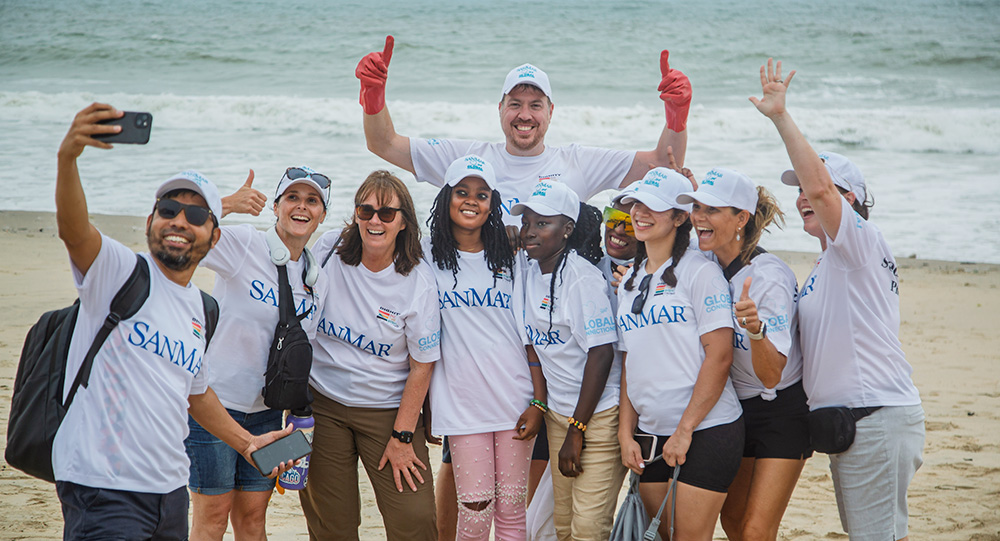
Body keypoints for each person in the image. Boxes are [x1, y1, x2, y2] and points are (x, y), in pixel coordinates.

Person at [53, 103, 293, 540]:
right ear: (150, 221)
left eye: (198, 216)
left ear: (214, 235)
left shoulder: (200, 310)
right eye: (168, 209)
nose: (180, 221)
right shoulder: (119, 273)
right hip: (103, 486)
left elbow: (198, 395)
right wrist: (67, 159)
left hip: (168, 494)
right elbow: (74, 230)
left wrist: (248, 443)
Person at [751, 58, 924, 540]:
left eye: (817, 188)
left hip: (875, 421)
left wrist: (780, 117)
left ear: (851, 200)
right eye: (799, 190)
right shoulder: (829, 262)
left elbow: (823, 189)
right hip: (852, 426)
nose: (805, 194)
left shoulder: (858, 244)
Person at [356, 36, 692, 227]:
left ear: (551, 112)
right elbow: (383, 143)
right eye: (515, 104)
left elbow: (662, 163)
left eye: (535, 105)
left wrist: (676, 116)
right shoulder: (467, 160)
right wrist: (373, 97)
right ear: (500, 109)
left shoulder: (578, 161)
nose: (525, 115)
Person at [184, 167, 330, 541]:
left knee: (252, 519)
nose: (302, 207)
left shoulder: (317, 279)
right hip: (215, 407)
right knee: (213, 516)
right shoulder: (246, 244)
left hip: (266, 414)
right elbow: (184, 234)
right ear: (276, 207)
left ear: (322, 214)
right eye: (293, 198)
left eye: (312, 200)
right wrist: (226, 204)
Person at [300, 170, 441, 540]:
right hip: (323, 404)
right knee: (332, 523)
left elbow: (422, 365)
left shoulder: (417, 280)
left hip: (387, 409)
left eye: (386, 214)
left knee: (414, 519)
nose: (374, 221)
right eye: (365, 211)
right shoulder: (329, 249)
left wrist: (403, 436)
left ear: (403, 222)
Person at [676, 167, 810, 540]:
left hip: (781, 411)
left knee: (754, 530)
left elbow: (772, 375)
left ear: (741, 219)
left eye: (712, 210)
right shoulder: (703, 260)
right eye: (697, 208)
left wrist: (756, 330)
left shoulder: (769, 278)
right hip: (733, 409)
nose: (699, 218)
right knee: (733, 522)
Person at [616, 168, 744, 541]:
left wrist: (685, 430)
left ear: (679, 217)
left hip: (706, 431)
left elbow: (719, 357)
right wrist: (627, 434)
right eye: (636, 202)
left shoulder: (700, 272)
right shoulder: (628, 282)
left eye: (654, 206)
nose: (640, 212)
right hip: (650, 437)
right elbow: (630, 363)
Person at [425, 155, 544, 540]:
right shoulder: (424, 256)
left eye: (481, 194)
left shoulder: (513, 257)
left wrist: (539, 401)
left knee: (511, 510)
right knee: (475, 510)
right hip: (462, 404)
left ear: (493, 203)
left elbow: (530, 336)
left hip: (515, 400)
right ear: (447, 198)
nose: (471, 200)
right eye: (462, 192)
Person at [512, 180, 624, 541]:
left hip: (598, 416)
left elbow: (602, 351)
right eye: (527, 222)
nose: (531, 231)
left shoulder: (582, 279)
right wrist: (547, 408)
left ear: (568, 230)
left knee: (588, 527)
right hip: (560, 413)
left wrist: (578, 429)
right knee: (562, 524)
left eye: (542, 224)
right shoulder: (530, 272)